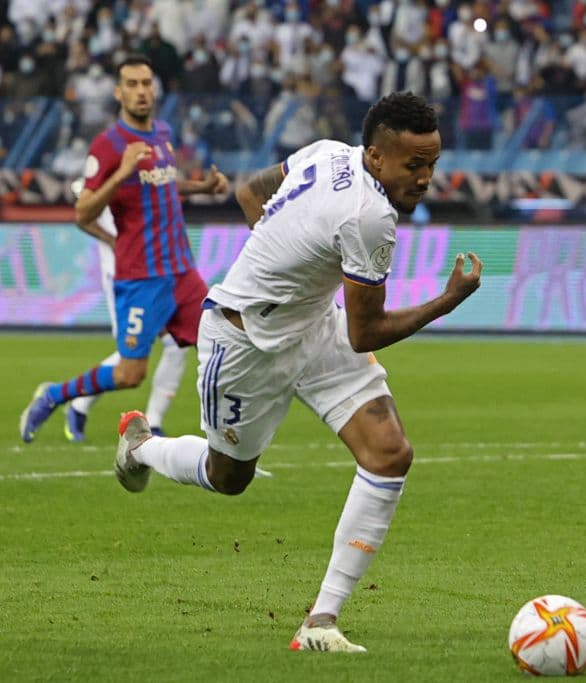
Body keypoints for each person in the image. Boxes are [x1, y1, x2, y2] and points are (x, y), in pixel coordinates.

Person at [112, 92, 483, 653]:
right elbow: (366, 334)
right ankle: (141, 447)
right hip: (244, 345)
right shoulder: (369, 216)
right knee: (227, 477)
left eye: (432, 162)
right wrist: (447, 300)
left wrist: (290, 273)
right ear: (376, 156)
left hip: (313, 326)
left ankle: (320, 622)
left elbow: (249, 193)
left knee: (389, 454)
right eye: (414, 164)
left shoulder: (328, 151)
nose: (426, 178)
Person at [19, 54, 229, 443]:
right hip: (142, 276)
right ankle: (55, 395)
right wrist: (121, 173)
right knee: (130, 374)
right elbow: (83, 212)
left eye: (146, 83)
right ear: (118, 93)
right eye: (132, 84)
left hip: (181, 270)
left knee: (224, 344)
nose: (141, 91)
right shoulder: (108, 146)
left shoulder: (162, 133)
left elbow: (164, 181)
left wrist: (201, 187)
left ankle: (227, 444)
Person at [64, 177, 188, 441]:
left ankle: (154, 423)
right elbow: (82, 210)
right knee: (130, 354)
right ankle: (77, 404)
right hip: (122, 276)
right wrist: (112, 240)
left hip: (155, 271)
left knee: (176, 343)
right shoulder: (109, 166)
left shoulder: (149, 169)